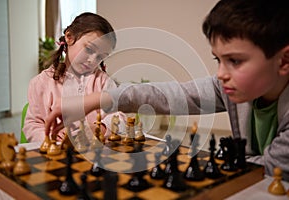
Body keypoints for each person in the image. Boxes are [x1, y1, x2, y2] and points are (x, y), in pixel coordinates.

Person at [45, 0, 289, 180]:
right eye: (218, 60)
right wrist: (92, 100)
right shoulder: (228, 87)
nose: (222, 73)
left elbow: (272, 168)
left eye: (235, 61)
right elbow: (171, 95)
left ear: (283, 61)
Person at [24, 12, 125, 142]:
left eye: (100, 57)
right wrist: (51, 138)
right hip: (58, 154)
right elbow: (33, 124)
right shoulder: (41, 83)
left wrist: (101, 129)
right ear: (69, 37)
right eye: (89, 49)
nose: (92, 60)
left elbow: (119, 117)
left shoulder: (103, 82)